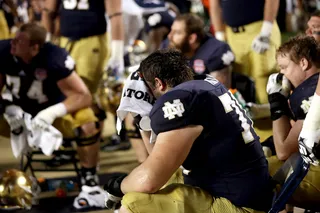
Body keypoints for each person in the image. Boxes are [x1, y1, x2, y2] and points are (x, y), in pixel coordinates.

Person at [103, 49, 273, 213]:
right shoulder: (204, 83)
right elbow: (157, 159)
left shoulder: (179, 100)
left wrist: (118, 186)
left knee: (133, 203)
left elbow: (149, 180)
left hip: (237, 205)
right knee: (165, 179)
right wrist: (141, 121)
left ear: (158, 83)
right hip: (246, 189)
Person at [0, 23, 107, 210]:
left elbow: (83, 96)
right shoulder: (4, 51)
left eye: (20, 40)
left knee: (87, 121)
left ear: (35, 48)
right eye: (15, 37)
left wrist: (51, 113)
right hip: (17, 114)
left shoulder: (53, 57)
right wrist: (8, 108)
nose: (13, 42)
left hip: (54, 113)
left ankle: (90, 180)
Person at [266, 35, 320, 209]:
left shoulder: (307, 93)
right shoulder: (312, 86)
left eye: (284, 67)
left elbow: (284, 150)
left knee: (256, 177)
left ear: (303, 63)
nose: (282, 74)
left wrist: (276, 102)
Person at [209, 0, 281, 105]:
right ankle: (247, 119)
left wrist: (266, 30)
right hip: (231, 33)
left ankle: (274, 119)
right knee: (240, 81)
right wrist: (220, 34)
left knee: (264, 80)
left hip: (259, 28)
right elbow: (214, 4)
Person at [168, 13, 234, 88]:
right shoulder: (172, 46)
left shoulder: (216, 52)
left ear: (191, 38)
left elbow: (219, 93)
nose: (169, 36)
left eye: (177, 32)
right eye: (171, 30)